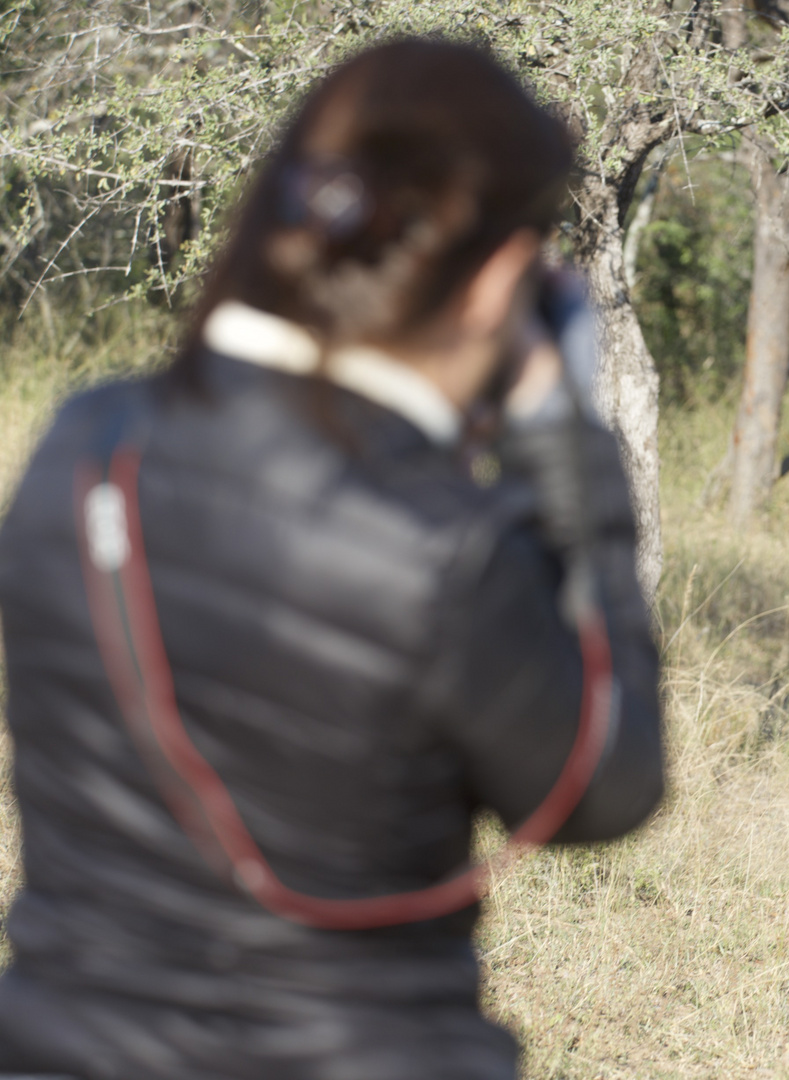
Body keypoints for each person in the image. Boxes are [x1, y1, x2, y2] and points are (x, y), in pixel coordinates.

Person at [0, 39, 663, 1080]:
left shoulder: (80, 445)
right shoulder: (448, 548)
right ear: (498, 281)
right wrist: (559, 432)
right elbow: (602, 786)